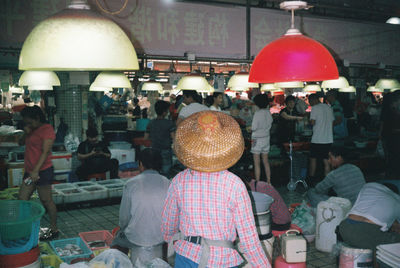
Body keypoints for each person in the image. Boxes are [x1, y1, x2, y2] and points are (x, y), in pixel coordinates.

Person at [162, 111, 271, 268]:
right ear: (225, 147)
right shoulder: (234, 184)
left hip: (187, 257)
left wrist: (173, 239)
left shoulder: (179, 180)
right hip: (222, 260)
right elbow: (249, 240)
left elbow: (168, 225)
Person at [111, 148, 171, 263]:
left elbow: (124, 219)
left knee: (118, 239)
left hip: (135, 238)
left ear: (141, 164)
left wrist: (124, 230)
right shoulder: (167, 182)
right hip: (161, 237)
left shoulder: (131, 184)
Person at [18, 105, 58, 240]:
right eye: (26, 122)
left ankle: (54, 228)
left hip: (43, 171)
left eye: (30, 122)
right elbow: (20, 143)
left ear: (37, 118)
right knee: (22, 200)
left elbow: (45, 152)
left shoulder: (47, 129)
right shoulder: (31, 130)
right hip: (30, 171)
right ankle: (26, 227)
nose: (28, 124)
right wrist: (26, 132)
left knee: (46, 200)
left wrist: (36, 171)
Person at [338, 182, 400, 250]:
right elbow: (397, 226)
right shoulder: (396, 201)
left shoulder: (367, 190)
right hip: (366, 232)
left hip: (344, 227)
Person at [144, 100, 176, 178]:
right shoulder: (169, 123)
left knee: (156, 171)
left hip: (154, 150)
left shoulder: (151, 123)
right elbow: (174, 138)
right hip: (166, 150)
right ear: (165, 112)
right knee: (166, 172)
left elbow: (146, 138)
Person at [308, 93, 334, 183]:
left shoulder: (315, 108)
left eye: (309, 101)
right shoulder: (329, 108)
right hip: (328, 139)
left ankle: (311, 180)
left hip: (317, 139)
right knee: (326, 161)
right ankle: (327, 181)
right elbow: (332, 122)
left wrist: (308, 122)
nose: (309, 104)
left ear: (313, 100)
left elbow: (312, 122)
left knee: (313, 159)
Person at [251, 94, 273, 184]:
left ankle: (257, 182)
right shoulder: (268, 112)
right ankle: (269, 181)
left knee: (257, 163)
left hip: (257, 139)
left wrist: (250, 128)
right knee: (266, 161)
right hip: (266, 138)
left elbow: (253, 127)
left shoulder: (257, 113)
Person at [379, 90, 400, 179]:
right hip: (392, 137)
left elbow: (382, 124)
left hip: (390, 137)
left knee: (392, 156)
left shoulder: (388, 110)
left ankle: (391, 173)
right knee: (393, 156)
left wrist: (380, 135)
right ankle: (393, 173)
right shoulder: (393, 111)